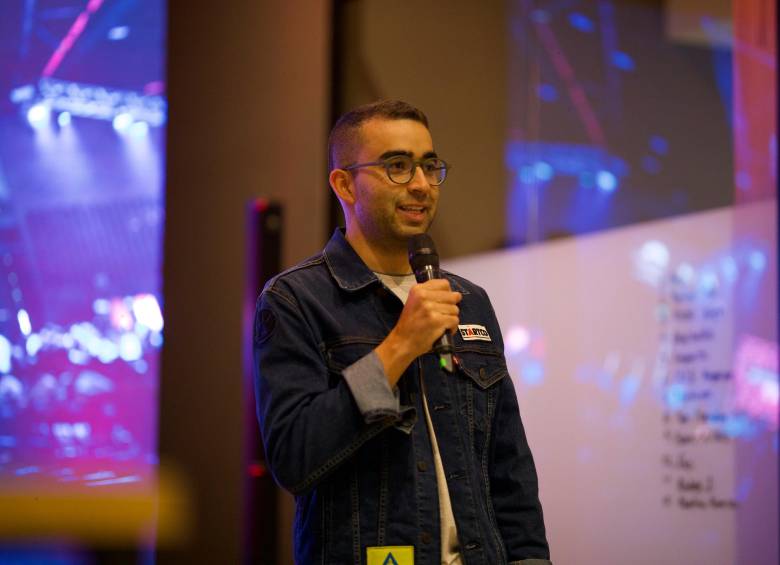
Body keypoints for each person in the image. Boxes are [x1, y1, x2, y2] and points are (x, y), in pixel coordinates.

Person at [253, 100, 550, 565]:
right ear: (345, 184)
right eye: (396, 166)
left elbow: (508, 466)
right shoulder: (296, 300)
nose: (420, 185)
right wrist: (399, 347)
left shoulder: (467, 300)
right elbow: (294, 457)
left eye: (430, 167)